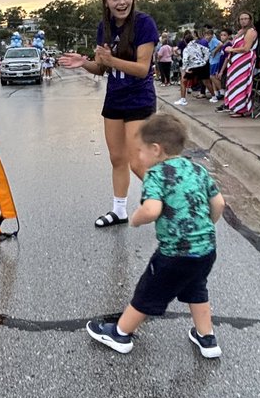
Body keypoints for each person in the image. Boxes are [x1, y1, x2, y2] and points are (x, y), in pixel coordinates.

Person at [86, 113, 225, 358]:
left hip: (175, 254)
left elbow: (152, 210)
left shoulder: (157, 175)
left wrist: (135, 219)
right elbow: (219, 204)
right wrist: (204, 227)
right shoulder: (198, 169)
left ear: (156, 149)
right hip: (206, 250)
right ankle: (207, 338)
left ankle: (120, 333)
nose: (138, 157)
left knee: (148, 291)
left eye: (140, 151)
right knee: (196, 287)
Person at [59, 0, 159, 228]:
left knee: (137, 161)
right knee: (117, 158)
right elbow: (102, 68)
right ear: (106, 1)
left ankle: (175, 204)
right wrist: (83, 63)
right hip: (115, 98)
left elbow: (142, 68)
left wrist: (111, 60)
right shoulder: (103, 27)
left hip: (139, 98)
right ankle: (119, 210)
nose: (122, 2)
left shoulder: (144, 24)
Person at [223, 12, 258, 117]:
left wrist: (231, 49)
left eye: (246, 18)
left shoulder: (251, 31)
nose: (243, 20)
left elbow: (246, 48)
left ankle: (241, 109)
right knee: (234, 83)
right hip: (236, 61)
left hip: (245, 61)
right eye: (241, 19)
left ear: (250, 20)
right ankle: (234, 106)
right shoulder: (240, 31)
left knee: (241, 84)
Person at [173, 33, 210, 106]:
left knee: (183, 81)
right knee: (206, 80)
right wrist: (205, 60)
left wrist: (185, 70)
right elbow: (207, 51)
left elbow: (185, 60)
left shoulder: (186, 49)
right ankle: (214, 96)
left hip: (192, 66)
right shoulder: (198, 45)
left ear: (185, 41)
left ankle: (183, 99)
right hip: (202, 65)